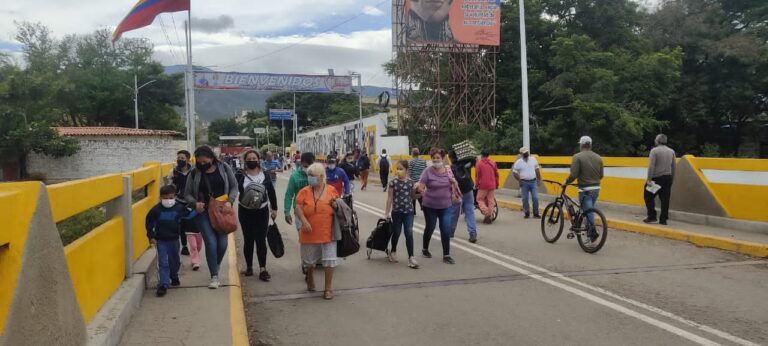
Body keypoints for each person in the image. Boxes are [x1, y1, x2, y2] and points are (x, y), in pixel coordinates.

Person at [183, 146, 238, 289]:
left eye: (204, 161)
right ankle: (214, 275)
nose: (202, 164)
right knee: (211, 243)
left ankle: (215, 263)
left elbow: (234, 186)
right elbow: (187, 193)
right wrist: (195, 204)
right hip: (203, 213)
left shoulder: (224, 168)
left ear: (212, 158)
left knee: (222, 244)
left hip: (221, 211)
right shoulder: (194, 173)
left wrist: (229, 201)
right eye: (199, 162)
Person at [295, 163, 340, 300]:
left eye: (312, 176)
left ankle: (328, 289)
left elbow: (339, 206)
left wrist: (336, 205)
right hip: (309, 231)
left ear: (321, 177)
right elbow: (297, 208)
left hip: (328, 231)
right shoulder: (304, 191)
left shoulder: (332, 190)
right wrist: (304, 221)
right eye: (309, 176)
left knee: (329, 260)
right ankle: (310, 277)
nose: (310, 179)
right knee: (308, 261)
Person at [146, 185, 196, 297]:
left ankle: (174, 276)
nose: (168, 200)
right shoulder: (155, 210)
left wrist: (197, 210)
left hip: (174, 240)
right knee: (163, 263)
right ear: (160, 198)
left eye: (171, 197)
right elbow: (149, 224)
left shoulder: (178, 208)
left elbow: (188, 215)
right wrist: (151, 236)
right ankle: (163, 284)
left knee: (175, 261)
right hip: (161, 241)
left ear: (174, 196)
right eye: (165, 198)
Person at [236, 150, 278, 281]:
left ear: (259, 159)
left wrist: (274, 208)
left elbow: (271, 191)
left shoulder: (265, 175)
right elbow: (233, 190)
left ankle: (263, 268)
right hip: (245, 211)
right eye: (249, 158)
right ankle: (249, 267)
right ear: (245, 160)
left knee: (261, 239)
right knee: (248, 239)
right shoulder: (240, 175)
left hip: (262, 211)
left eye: (254, 158)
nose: (252, 160)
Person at [417, 148, 458, 264]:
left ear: (443, 158)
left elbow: (454, 184)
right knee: (430, 227)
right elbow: (421, 186)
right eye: (434, 158)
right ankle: (425, 249)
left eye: (438, 158)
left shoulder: (448, 170)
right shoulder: (427, 171)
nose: (436, 160)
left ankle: (446, 255)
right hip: (430, 206)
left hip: (446, 205)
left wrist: (454, 183)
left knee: (445, 229)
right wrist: (422, 191)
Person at [565, 136, 604, 243]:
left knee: (588, 211)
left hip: (585, 190)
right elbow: (601, 175)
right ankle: (588, 234)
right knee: (587, 210)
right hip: (596, 189)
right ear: (590, 145)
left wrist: (566, 182)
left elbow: (573, 175)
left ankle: (593, 234)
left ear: (581, 145)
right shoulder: (598, 157)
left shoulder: (577, 157)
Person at [385, 160, 420, 268]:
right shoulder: (393, 182)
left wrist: (421, 194)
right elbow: (390, 198)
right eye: (398, 169)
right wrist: (386, 213)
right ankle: (393, 250)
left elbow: (413, 197)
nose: (399, 171)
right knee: (396, 232)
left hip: (408, 212)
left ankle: (411, 257)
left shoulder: (411, 183)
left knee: (408, 232)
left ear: (406, 170)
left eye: (401, 169)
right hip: (397, 213)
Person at [644, 134, 676, 225]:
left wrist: (649, 179)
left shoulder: (654, 151)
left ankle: (652, 216)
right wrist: (672, 179)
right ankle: (663, 219)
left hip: (656, 178)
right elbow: (674, 166)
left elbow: (651, 166)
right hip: (668, 177)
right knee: (665, 199)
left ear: (657, 141)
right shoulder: (671, 151)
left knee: (648, 196)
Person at [447, 150, 478, 243]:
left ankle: (451, 232)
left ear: (451, 158)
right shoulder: (465, 163)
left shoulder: (451, 168)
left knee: (454, 213)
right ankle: (472, 233)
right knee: (470, 212)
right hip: (468, 190)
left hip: (457, 192)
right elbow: (475, 160)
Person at [170, 150, 193, 256]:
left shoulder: (194, 171)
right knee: (181, 224)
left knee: (192, 224)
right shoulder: (174, 171)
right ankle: (184, 246)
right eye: (178, 158)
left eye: (182, 158)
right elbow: (171, 185)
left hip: (192, 201)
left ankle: (195, 248)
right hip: (178, 200)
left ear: (188, 159)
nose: (180, 160)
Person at [285, 152, 315, 229]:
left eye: (310, 165)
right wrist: (287, 212)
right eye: (305, 166)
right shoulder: (295, 176)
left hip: (315, 210)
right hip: (299, 211)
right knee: (302, 236)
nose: (308, 168)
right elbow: (289, 194)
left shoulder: (317, 175)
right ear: (301, 163)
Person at [512, 147, 542, 219]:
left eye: (527, 152)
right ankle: (527, 212)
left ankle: (536, 213)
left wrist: (539, 179)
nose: (526, 154)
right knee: (525, 198)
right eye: (524, 153)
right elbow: (514, 172)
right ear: (521, 154)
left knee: (535, 198)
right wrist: (519, 180)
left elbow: (537, 169)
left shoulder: (533, 159)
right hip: (524, 182)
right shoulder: (518, 162)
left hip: (533, 181)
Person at [475, 150, 499, 224]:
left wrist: (476, 184)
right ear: (488, 155)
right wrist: (497, 184)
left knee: (479, 199)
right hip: (492, 185)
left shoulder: (479, 164)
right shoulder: (493, 163)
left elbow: (477, 175)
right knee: (490, 200)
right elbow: (496, 175)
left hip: (483, 185)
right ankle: (490, 214)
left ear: (482, 155)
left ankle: (487, 213)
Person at [408, 148, 427, 215]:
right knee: (421, 195)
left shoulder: (410, 162)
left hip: (413, 182)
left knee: (413, 197)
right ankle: (423, 207)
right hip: (421, 182)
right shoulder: (423, 161)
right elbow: (425, 171)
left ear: (412, 154)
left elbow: (409, 172)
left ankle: (413, 211)